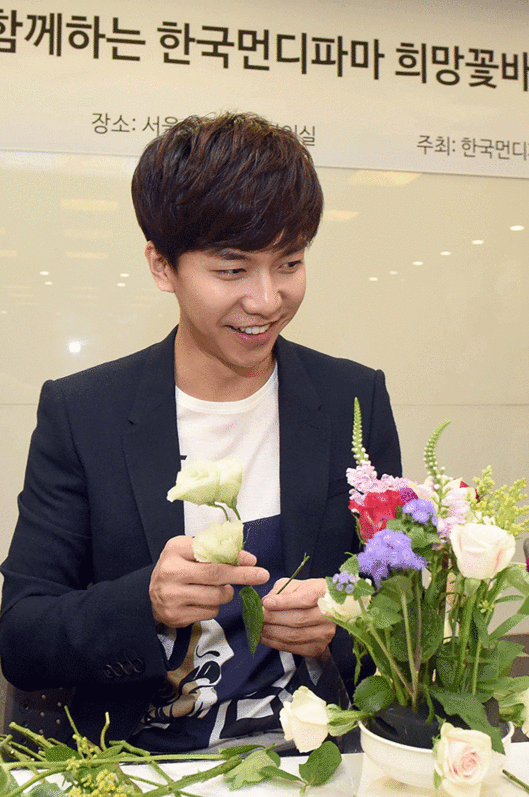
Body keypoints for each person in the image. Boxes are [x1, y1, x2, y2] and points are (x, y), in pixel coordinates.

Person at [0, 112, 401, 750]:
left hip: (321, 753)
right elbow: (22, 637)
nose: (267, 300)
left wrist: (344, 621)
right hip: (145, 759)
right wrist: (147, 603)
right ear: (162, 266)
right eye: (232, 271)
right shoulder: (84, 414)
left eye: (289, 263)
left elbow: (401, 593)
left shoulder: (353, 398)